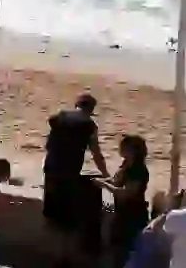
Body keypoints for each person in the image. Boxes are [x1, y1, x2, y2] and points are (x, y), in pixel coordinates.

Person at [43, 93, 108, 266]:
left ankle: (54, 256)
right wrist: (106, 174)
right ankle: (64, 258)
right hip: (69, 173)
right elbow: (96, 154)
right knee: (66, 219)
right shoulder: (89, 126)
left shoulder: (59, 117)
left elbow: (48, 144)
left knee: (53, 215)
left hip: (51, 170)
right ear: (91, 109)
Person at [97, 135, 150, 266]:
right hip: (121, 214)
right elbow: (116, 181)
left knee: (128, 251)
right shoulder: (126, 165)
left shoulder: (139, 170)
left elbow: (125, 193)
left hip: (133, 217)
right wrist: (101, 181)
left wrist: (104, 185)